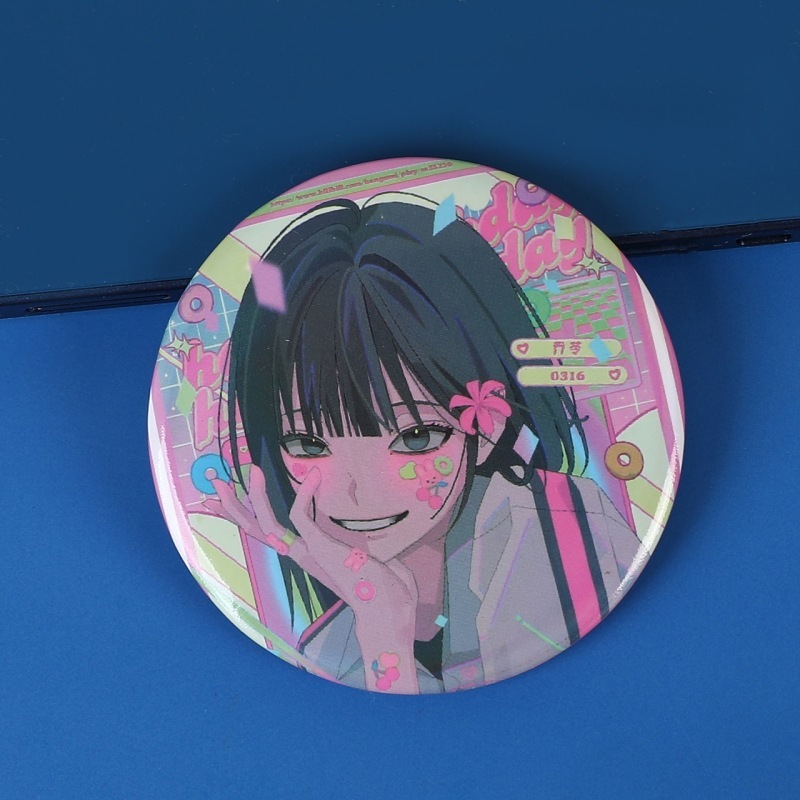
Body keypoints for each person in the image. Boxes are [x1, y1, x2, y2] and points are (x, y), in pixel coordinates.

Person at [207, 193, 643, 693]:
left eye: (416, 437)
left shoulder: (566, 535)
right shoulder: (330, 645)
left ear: (488, 425)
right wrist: (380, 619)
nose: (358, 492)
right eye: (307, 443)